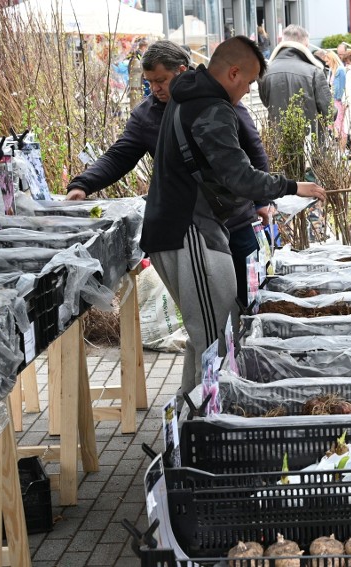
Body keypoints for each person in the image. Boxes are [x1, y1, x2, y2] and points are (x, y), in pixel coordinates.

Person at [141, 36, 325, 395]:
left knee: (205, 334)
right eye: (250, 82)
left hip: (188, 231)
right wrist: (292, 186)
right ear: (234, 72)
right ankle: (207, 428)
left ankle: (190, 419)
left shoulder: (188, 99)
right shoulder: (210, 106)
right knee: (216, 337)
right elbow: (237, 175)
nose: (249, 90)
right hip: (188, 233)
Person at [66, 40, 270, 309]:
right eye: (150, 82)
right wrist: (83, 184)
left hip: (236, 222)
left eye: (161, 80)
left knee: (248, 301)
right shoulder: (145, 116)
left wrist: (262, 201)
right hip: (192, 233)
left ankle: (245, 349)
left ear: (182, 71)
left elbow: (254, 150)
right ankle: (219, 351)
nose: (155, 89)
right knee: (211, 311)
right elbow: (119, 156)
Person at [258, 24, 331, 125]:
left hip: (276, 136)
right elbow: (329, 113)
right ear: (305, 45)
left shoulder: (265, 71)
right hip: (309, 136)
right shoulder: (314, 72)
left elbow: (266, 102)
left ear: (282, 43)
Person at [127, 38, 149, 108]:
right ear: (144, 47)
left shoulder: (134, 57)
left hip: (136, 86)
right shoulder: (139, 57)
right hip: (139, 86)